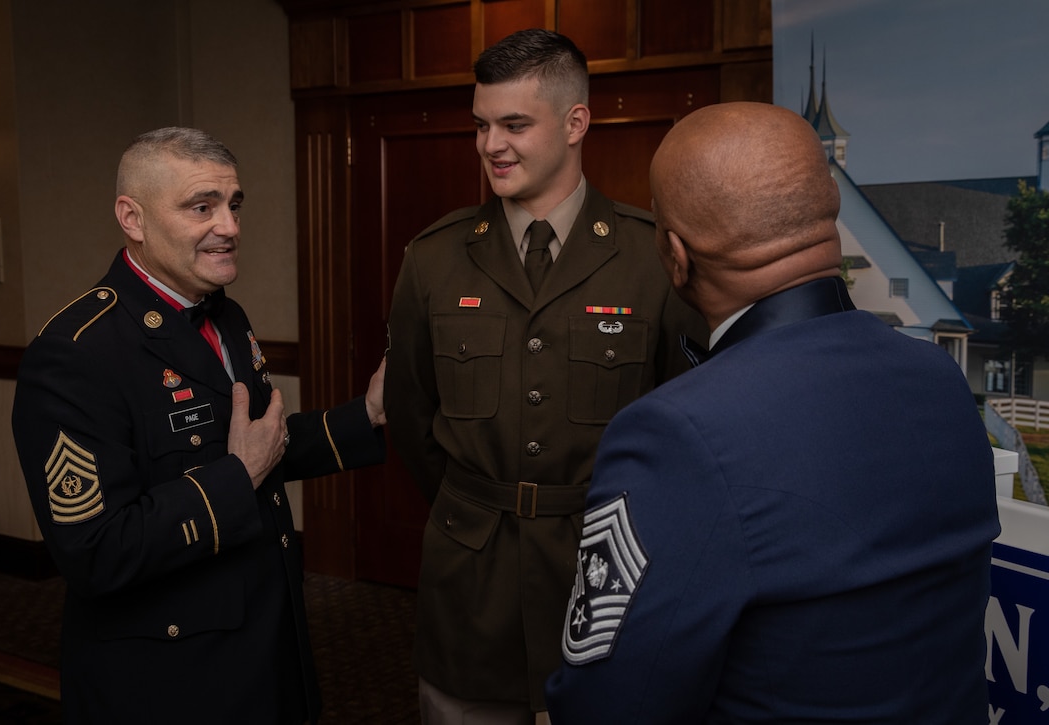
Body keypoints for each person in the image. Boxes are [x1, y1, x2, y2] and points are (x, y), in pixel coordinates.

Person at [544, 102, 1002, 723]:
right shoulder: (939, 380)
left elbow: (611, 704)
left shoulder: (678, 434)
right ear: (827, 221)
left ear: (676, 255)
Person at [11, 126, 387, 725]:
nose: (231, 227)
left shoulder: (223, 315)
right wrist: (238, 477)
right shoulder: (78, 353)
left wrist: (366, 415)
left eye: (233, 205)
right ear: (132, 218)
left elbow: (262, 445)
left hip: (264, 650)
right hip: (171, 682)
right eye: (201, 207)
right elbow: (97, 554)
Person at [384, 28, 706, 723]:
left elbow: (684, 435)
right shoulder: (434, 259)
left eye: (514, 124)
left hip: (603, 580)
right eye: (481, 125)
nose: (490, 145)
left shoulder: (649, 259)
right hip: (471, 588)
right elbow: (413, 422)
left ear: (575, 122)